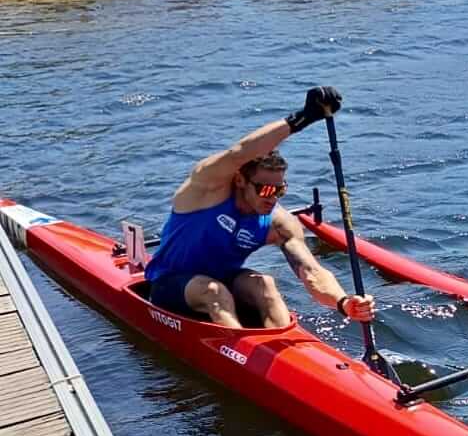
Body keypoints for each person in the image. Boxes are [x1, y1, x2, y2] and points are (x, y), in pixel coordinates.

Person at [144, 86, 375, 330]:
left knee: (265, 284)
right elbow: (238, 153)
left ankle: (283, 348)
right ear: (241, 181)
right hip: (168, 284)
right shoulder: (205, 192)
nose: (272, 198)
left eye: (279, 190)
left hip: (224, 281)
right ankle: (236, 354)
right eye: (265, 190)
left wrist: (344, 303)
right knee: (214, 291)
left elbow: (311, 271)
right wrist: (302, 119)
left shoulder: (277, 223)